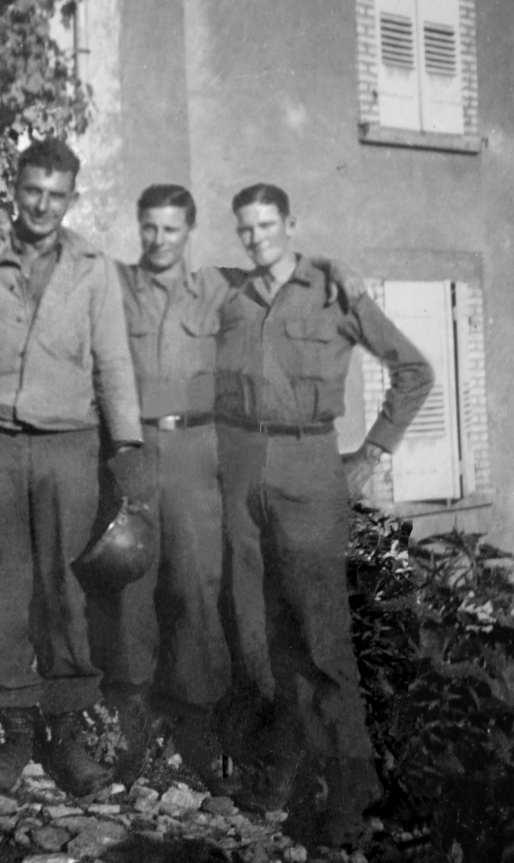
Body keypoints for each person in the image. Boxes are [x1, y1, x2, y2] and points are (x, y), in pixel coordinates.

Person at [214, 183, 434, 848]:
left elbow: (413, 371)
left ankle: (352, 790)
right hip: (246, 463)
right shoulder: (233, 298)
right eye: (246, 229)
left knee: (322, 639)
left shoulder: (335, 291)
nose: (256, 239)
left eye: (267, 226)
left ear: (291, 225)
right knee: (263, 629)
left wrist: (371, 454)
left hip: (310, 467)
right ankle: (282, 765)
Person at [0, 138, 144, 798]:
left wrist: (129, 447)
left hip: (67, 445)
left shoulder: (92, 267)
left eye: (57, 195)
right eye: (32, 191)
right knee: (0, 590)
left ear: (71, 198)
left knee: (64, 592)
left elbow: (112, 362)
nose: (43, 205)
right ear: (15, 189)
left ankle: (67, 735)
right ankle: (14, 732)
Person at [92, 184, 236, 795]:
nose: (158, 240)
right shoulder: (116, 288)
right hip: (137, 446)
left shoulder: (219, 291)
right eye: (149, 228)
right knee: (133, 584)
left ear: (190, 230)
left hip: (198, 450)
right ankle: (132, 724)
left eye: (171, 229)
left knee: (198, 584)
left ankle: (198, 722)